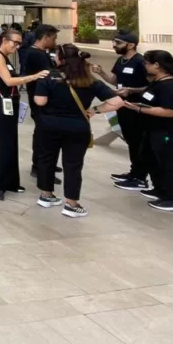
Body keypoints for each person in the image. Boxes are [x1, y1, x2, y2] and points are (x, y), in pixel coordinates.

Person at [97, 49, 173, 214]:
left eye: (147, 63)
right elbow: (150, 93)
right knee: (151, 160)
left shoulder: (171, 86)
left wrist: (139, 109)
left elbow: (168, 111)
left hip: (169, 132)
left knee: (168, 165)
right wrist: (132, 91)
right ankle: (160, 190)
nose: (145, 65)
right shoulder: (158, 81)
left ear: (157, 65)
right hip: (154, 129)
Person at [32, 45, 117, 217]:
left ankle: (46, 195)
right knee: (73, 165)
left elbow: (40, 101)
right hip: (78, 128)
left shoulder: (48, 76)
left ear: (60, 59)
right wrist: (95, 110)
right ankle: (72, 204)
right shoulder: (90, 80)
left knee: (46, 159)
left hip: (49, 126)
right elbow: (117, 102)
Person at [0, 28, 50, 201]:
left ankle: (10, 181)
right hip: (1, 103)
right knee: (3, 144)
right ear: (4, 40)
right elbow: (8, 81)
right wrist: (34, 76)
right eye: (15, 42)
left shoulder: (6, 58)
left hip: (11, 102)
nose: (17, 46)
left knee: (11, 143)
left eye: (19, 43)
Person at [90, 31, 150, 191]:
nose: (114, 45)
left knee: (138, 142)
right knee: (130, 140)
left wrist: (132, 91)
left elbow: (153, 86)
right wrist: (101, 73)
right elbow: (114, 80)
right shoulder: (121, 60)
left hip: (138, 108)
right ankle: (133, 172)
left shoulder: (141, 62)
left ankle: (140, 177)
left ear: (131, 45)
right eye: (114, 42)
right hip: (122, 106)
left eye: (118, 43)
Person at [24, 24, 60, 183]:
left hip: (43, 98)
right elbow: (48, 75)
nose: (54, 41)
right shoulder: (36, 54)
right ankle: (39, 167)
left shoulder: (40, 53)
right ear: (45, 37)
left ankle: (44, 164)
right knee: (43, 135)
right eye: (53, 38)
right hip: (39, 99)